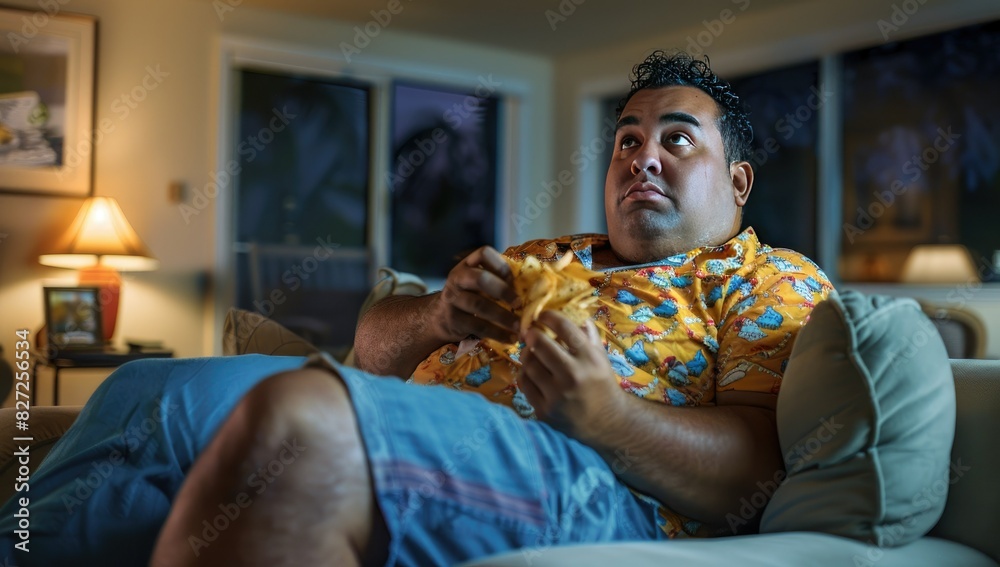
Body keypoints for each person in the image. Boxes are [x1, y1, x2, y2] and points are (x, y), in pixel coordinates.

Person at [0, 51, 832, 567]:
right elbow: (369, 354)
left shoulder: (767, 279)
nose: (642, 157)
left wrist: (608, 417)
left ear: (738, 181)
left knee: (301, 418)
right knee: (146, 391)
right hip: (414, 411)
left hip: (601, 483)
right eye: (627, 139)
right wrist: (437, 316)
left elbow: (753, 474)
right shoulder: (547, 255)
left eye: (676, 138)